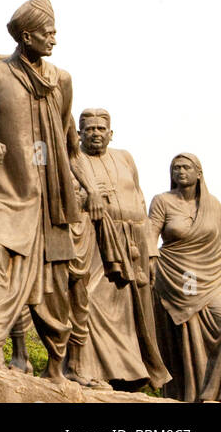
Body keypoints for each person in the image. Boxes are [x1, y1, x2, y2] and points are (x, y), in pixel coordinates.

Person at [0, 0, 94, 381]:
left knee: (55, 282)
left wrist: (88, 189)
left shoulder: (61, 81)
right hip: (6, 191)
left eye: (55, 33)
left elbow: (69, 144)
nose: (54, 40)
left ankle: (55, 367)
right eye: (47, 33)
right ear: (26, 36)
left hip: (50, 201)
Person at [65, 109, 170, 390]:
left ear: (111, 134)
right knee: (94, 301)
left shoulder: (125, 158)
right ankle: (91, 369)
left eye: (101, 129)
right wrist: (89, 196)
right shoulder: (75, 161)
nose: (95, 133)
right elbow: (68, 199)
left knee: (130, 309)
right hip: (98, 238)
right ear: (79, 134)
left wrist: (150, 250)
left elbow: (139, 195)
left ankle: (130, 374)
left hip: (133, 240)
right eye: (89, 129)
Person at [149, 153, 221, 402]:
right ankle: (191, 395)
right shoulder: (162, 201)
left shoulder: (214, 205)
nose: (180, 171)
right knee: (186, 339)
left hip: (207, 278)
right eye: (175, 167)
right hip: (174, 279)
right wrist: (149, 263)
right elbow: (150, 234)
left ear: (198, 173)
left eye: (186, 167)